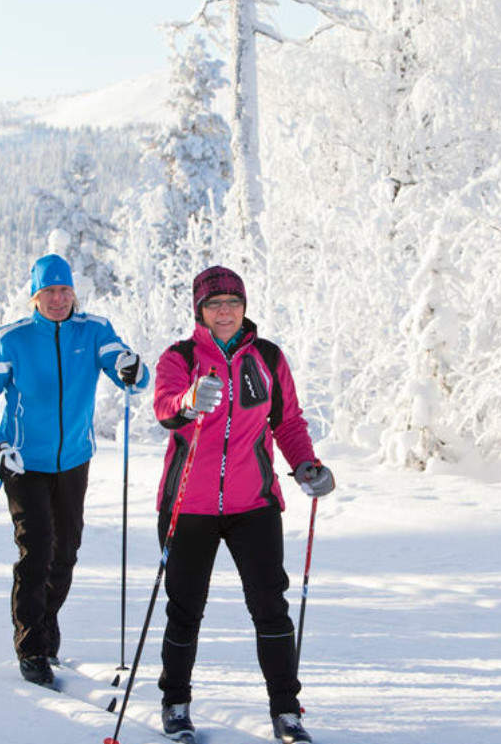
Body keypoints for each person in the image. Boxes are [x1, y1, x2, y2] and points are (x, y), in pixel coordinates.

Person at [151, 266, 336, 744]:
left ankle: (286, 712)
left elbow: (288, 423)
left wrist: (306, 466)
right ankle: (175, 703)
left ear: (245, 305)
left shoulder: (269, 358)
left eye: (233, 301)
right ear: (200, 311)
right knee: (185, 608)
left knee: (270, 608)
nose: (225, 311)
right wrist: (191, 400)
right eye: (214, 304)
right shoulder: (180, 356)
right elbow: (166, 408)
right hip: (187, 506)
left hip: (253, 503)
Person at [0, 253, 150, 686]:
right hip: (24, 463)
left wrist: (133, 369)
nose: (58, 299)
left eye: (65, 290)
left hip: (73, 462)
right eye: (48, 291)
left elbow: (132, 376)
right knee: (37, 551)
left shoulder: (94, 330)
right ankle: (31, 645)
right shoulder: (11, 340)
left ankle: (47, 624)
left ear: (74, 292)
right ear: (35, 296)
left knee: (66, 552)